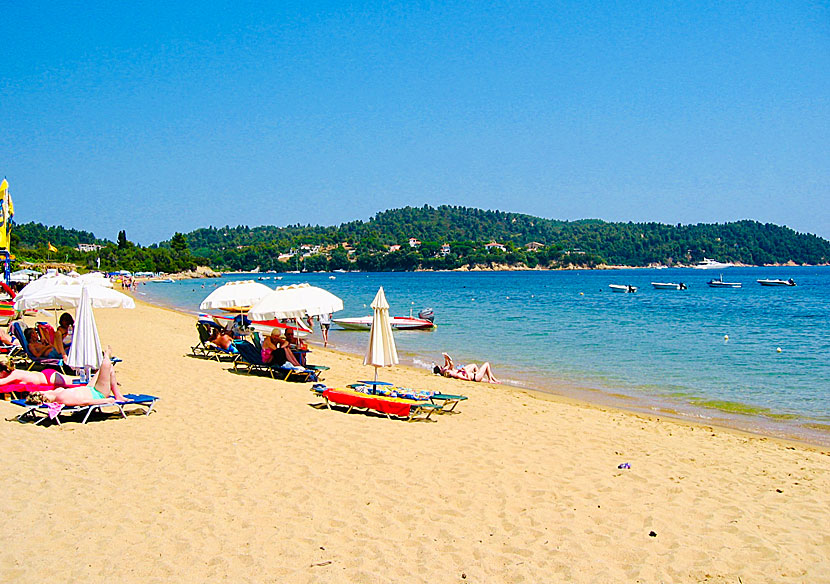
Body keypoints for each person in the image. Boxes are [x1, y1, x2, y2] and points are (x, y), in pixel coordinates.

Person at [25, 347, 127, 406]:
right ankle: (107, 355)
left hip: (89, 388)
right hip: (98, 393)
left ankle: (118, 395)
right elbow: (85, 402)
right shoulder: (61, 398)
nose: (41, 392)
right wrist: (106, 400)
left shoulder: (52, 393)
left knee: (105, 368)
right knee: (106, 364)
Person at [434, 352, 500, 383]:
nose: (442, 367)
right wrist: (464, 370)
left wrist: (446, 357)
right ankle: (491, 380)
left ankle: (492, 379)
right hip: (474, 377)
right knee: (487, 364)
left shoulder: (446, 371)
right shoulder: (449, 372)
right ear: (440, 370)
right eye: (440, 367)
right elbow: (451, 365)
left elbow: (448, 365)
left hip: (474, 376)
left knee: (474, 365)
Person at [0, 363, 75, 387]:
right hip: (46, 374)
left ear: (3, 372)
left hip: (48, 378)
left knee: (74, 382)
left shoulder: (13, 375)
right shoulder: (15, 372)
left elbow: (2, 382)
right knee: (72, 379)